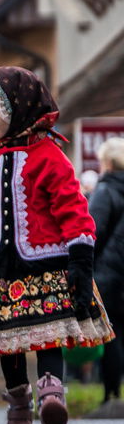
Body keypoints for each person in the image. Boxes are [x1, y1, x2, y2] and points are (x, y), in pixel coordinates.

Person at [0, 68, 113, 424]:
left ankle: (51, 395)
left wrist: (80, 261)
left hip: (45, 264)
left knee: (48, 333)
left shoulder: (50, 156)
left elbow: (74, 210)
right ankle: (19, 403)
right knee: (10, 337)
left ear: (19, 110)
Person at [91, 137, 124, 408]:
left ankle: (111, 394)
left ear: (109, 163)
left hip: (107, 274)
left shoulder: (105, 191)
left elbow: (94, 231)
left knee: (110, 333)